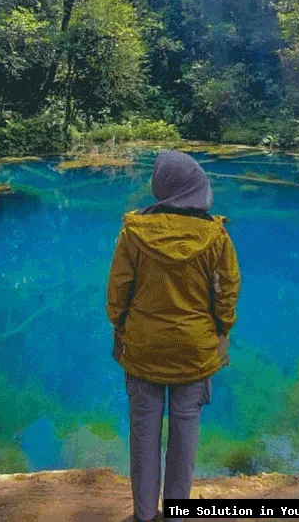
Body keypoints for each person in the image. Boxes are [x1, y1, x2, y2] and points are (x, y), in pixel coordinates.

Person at [106, 149, 241, 522]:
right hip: (194, 352)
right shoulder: (216, 236)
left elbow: (118, 292)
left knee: (144, 434)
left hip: (143, 349)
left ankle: (144, 515)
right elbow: (227, 293)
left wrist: (121, 327)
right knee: (185, 435)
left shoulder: (134, 232)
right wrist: (221, 330)